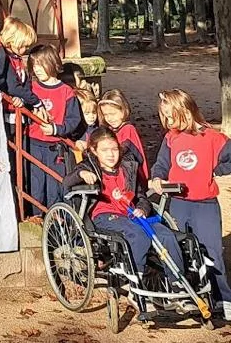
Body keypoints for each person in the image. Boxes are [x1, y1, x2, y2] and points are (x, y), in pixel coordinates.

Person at [65, 128, 185, 292]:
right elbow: (67, 182)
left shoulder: (127, 167)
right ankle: (136, 278)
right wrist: (82, 174)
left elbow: (141, 196)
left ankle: (178, 282)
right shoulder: (89, 166)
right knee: (138, 235)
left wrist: (143, 208)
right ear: (94, 150)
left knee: (166, 235)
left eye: (114, 149)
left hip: (132, 214)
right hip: (104, 215)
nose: (111, 154)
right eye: (105, 150)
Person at [149, 89, 231, 318]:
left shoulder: (211, 137)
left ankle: (223, 298)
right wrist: (157, 178)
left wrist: (214, 169)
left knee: (211, 252)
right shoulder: (170, 138)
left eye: (170, 115)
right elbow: (162, 163)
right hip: (177, 202)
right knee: (183, 251)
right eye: (164, 116)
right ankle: (190, 296)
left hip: (205, 204)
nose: (167, 121)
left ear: (184, 111)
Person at [25, 42, 83, 213]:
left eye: (41, 64)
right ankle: (36, 220)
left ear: (53, 63)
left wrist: (57, 129)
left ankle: (57, 222)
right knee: (35, 186)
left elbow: (74, 120)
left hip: (55, 148)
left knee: (54, 187)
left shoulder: (66, 91)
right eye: (34, 65)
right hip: (33, 144)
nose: (37, 69)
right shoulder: (30, 88)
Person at [97, 89, 147, 187]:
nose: (110, 118)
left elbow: (124, 152)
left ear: (123, 110)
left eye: (113, 114)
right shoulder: (109, 130)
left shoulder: (128, 129)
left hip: (131, 178)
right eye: (106, 115)